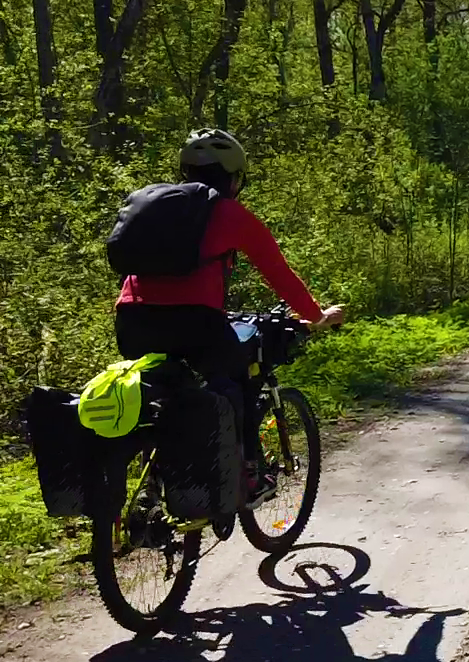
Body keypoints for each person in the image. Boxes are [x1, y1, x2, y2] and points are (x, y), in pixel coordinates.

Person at [116, 129, 344, 508]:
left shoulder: (155, 208)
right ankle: (250, 477)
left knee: (156, 394)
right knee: (238, 381)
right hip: (195, 323)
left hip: (131, 318)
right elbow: (280, 275)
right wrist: (317, 316)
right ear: (235, 178)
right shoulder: (229, 213)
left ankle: (150, 486)